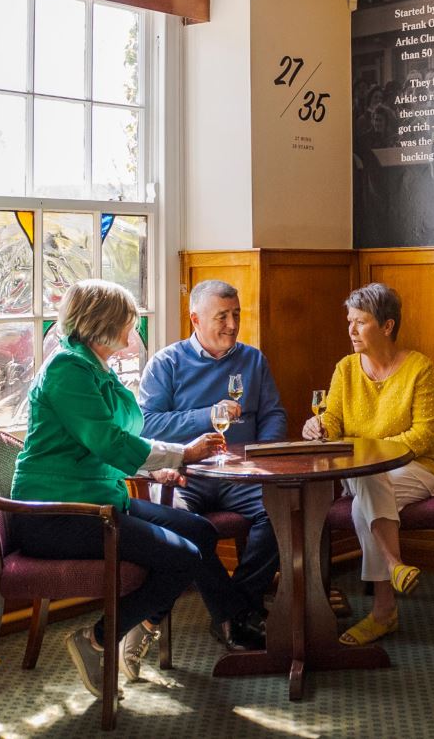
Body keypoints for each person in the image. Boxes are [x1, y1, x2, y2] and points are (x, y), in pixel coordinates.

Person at [9, 279, 261, 699]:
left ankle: (162, 624)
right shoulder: (67, 371)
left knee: (201, 531)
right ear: (103, 323)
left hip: (101, 499)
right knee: (183, 558)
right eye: (130, 321)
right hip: (57, 515)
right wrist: (181, 455)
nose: (135, 330)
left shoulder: (96, 369)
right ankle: (100, 640)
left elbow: (116, 439)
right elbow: (108, 441)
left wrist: (153, 471)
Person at [138, 280, 289, 656]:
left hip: (243, 475)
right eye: (222, 316)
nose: (232, 325)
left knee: (282, 511)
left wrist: (260, 456)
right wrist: (206, 416)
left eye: (236, 315)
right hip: (187, 475)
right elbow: (146, 424)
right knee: (185, 526)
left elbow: (273, 414)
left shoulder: (253, 360)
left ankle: (236, 607)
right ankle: (237, 614)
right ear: (195, 319)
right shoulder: (166, 363)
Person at [300, 284, 434, 647]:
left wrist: (369, 455)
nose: (350, 330)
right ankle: (394, 567)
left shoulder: (419, 369)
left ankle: (384, 611)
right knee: (369, 476)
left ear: (386, 326)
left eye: (360, 322)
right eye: (349, 321)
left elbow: (424, 436)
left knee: (362, 501)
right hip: (363, 471)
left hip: (418, 467)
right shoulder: (346, 369)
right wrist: (316, 426)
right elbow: (331, 420)